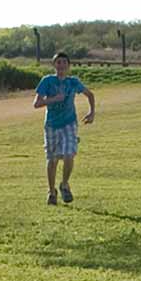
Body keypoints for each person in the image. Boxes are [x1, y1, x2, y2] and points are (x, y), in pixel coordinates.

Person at [33, 53, 96, 205]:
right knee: (52, 159)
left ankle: (64, 185)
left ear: (69, 65)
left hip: (69, 123)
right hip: (52, 125)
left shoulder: (73, 82)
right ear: (54, 65)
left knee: (69, 154)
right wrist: (54, 99)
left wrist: (92, 112)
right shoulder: (47, 81)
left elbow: (90, 94)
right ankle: (51, 191)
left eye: (64, 63)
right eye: (58, 62)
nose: (61, 65)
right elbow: (37, 103)